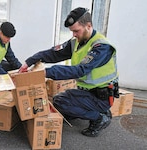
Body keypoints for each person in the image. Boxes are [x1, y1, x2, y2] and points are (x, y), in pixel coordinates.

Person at [19, 7, 119, 137]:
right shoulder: (77, 42)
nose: (74, 35)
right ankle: (80, 110)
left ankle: (99, 117)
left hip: (101, 97)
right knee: (58, 100)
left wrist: (45, 73)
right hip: (87, 92)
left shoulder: (101, 47)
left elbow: (80, 70)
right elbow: (54, 53)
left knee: (61, 102)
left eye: (76, 31)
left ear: (89, 26)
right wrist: (29, 61)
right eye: (72, 31)